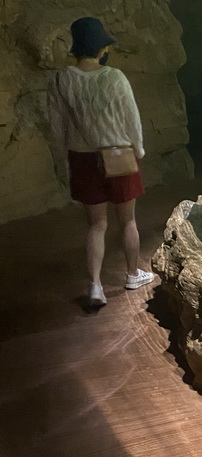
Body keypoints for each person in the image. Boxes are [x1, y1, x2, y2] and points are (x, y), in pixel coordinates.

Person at [48, 16, 154, 308]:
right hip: (119, 154)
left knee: (96, 225)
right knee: (128, 220)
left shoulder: (62, 79)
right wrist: (139, 149)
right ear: (100, 47)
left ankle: (95, 286)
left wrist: (63, 153)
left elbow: (57, 124)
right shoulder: (114, 77)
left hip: (82, 158)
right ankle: (133, 274)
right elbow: (131, 118)